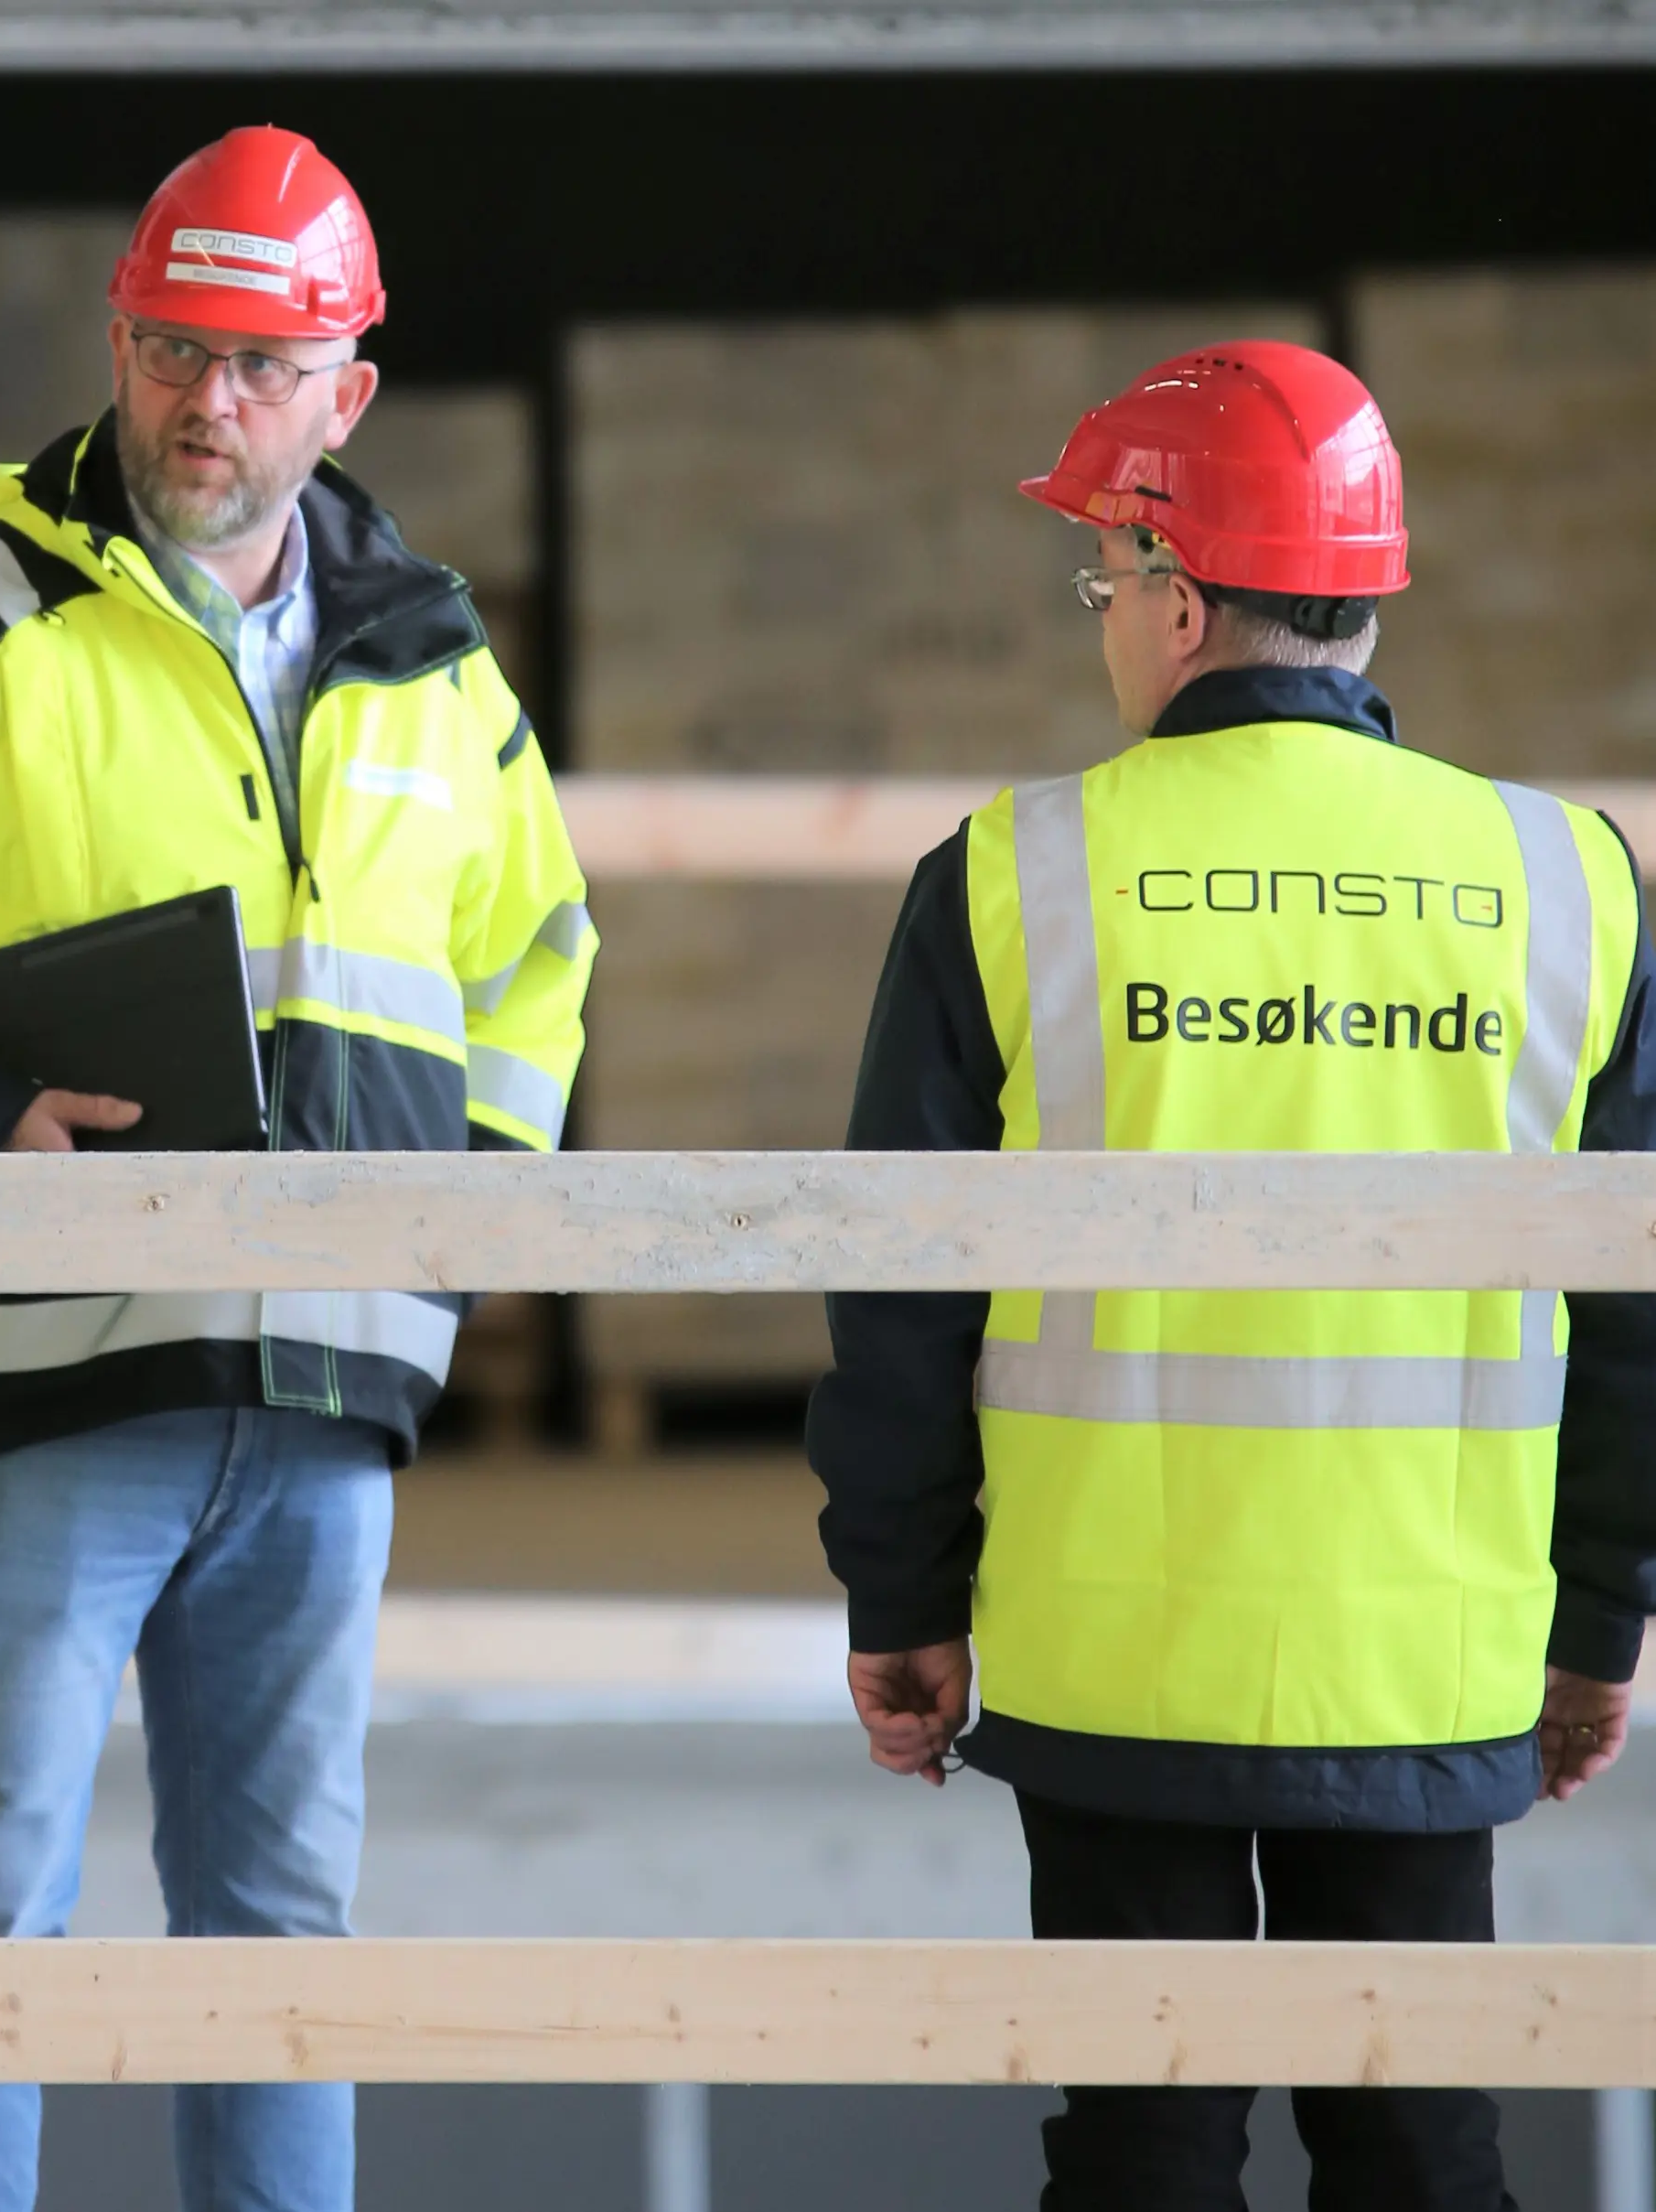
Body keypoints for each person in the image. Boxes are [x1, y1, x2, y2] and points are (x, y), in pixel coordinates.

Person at [0, 125, 593, 2212]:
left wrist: (451, 1233)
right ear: (120, 342)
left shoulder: (434, 666)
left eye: (265, 366)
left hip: (328, 1385)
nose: (211, 403)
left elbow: (540, 958)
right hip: (45, 1371)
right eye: (176, 350)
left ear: (348, 393)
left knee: (277, 1933)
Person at [808, 340, 1656, 2210]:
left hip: (1117, 1651)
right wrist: (1602, 1613)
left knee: (1144, 2156)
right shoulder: (1568, 881)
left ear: (1179, 597)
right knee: (1422, 2149)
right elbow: (1634, 1318)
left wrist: (903, 1597)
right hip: (1428, 1653)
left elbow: (901, 1290)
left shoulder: (1013, 875)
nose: (1103, 620)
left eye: (1102, 583)